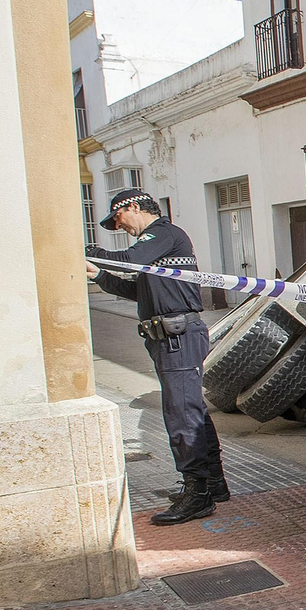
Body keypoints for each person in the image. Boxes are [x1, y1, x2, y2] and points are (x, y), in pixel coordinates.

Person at [84, 189, 228, 525]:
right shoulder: (158, 246)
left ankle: (198, 495)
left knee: (181, 415)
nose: (119, 227)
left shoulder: (162, 234)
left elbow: (129, 260)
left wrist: (92, 252)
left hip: (178, 337)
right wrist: (98, 275)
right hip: (170, 338)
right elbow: (137, 290)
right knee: (190, 410)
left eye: (118, 219)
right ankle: (212, 484)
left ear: (133, 207)